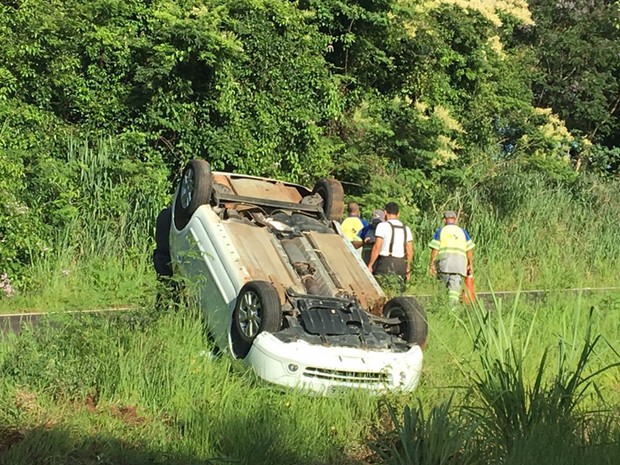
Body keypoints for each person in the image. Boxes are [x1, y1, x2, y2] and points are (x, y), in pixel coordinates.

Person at [428, 210, 475, 306]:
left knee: (443, 287)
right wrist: (470, 264)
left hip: (444, 263)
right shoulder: (463, 232)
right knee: (454, 289)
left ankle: (442, 307)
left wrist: (432, 264)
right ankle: (452, 309)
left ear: (445, 220)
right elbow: (469, 249)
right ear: (455, 220)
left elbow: (435, 250)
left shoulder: (441, 231)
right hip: (459, 264)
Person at [367, 202, 414, 285]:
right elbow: (409, 251)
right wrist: (408, 268)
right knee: (398, 293)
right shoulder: (406, 229)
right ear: (398, 214)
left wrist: (370, 264)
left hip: (385, 263)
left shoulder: (382, 226)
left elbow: (377, 247)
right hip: (401, 264)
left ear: (385, 212)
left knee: (383, 290)